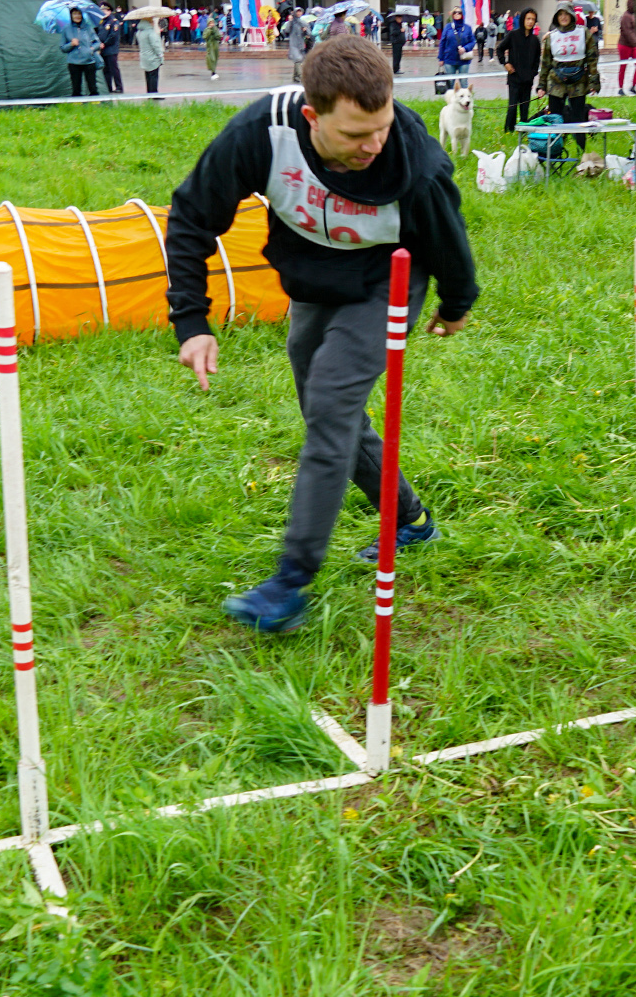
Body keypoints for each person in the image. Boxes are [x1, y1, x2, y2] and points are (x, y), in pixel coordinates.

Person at [162, 36, 478, 632]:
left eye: (380, 127)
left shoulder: (414, 160)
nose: (374, 144)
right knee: (326, 414)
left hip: (389, 278)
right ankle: (410, 520)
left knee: (333, 399)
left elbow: (448, 237)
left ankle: (289, 582)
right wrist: (191, 321)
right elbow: (192, 215)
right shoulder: (265, 131)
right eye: (357, 135)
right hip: (312, 280)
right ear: (313, 117)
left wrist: (457, 302)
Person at [541, 4, 599, 152]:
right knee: (555, 120)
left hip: (579, 82)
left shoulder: (584, 33)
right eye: (560, 15)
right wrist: (541, 86)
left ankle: (581, 154)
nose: (563, 17)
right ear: (556, 17)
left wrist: (594, 81)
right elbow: (546, 63)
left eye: (566, 14)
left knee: (579, 119)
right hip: (556, 83)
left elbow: (592, 58)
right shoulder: (551, 37)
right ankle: (554, 155)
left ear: (572, 16)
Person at [498, 7, 540, 132]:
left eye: (533, 19)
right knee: (512, 107)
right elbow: (500, 49)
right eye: (528, 19)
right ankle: (508, 130)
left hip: (527, 80)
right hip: (514, 78)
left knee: (524, 108)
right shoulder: (513, 35)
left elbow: (537, 59)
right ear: (522, 20)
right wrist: (505, 63)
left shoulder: (535, 40)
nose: (530, 22)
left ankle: (523, 130)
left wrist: (533, 73)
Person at [60, 6, 102, 96]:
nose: (77, 16)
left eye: (79, 13)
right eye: (74, 14)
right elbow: (62, 48)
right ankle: (77, 105)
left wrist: (91, 49)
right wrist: (71, 44)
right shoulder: (66, 29)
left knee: (93, 88)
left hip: (89, 62)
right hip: (73, 63)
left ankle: (95, 105)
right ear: (71, 15)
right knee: (76, 88)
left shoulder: (88, 28)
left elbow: (97, 43)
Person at [436, 7, 474, 91]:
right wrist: (440, 58)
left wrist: (465, 48)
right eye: (455, 12)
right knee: (450, 83)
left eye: (459, 12)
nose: (457, 14)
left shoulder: (467, 28)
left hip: (464, 59)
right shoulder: (448, 27)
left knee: (464, 83)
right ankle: (450, 102)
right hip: (449, 59)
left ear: (462, 14)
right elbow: (442, 42)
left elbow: (472, 42)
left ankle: (464, 103)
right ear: (452, 15)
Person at [615, 0, 636, 96]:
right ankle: (620, 87)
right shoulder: (626, 17)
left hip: (634, 45)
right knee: (623, 66)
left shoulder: (633, 16)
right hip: (624, 45)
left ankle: (633, 85)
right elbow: (627, 32)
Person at [96, 7, 124, 93]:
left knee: (113, 69)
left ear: (109, 11)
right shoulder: (102, 22)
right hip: (103, 49)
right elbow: (99, 33)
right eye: (102, 11)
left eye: (105, 10)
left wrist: (105, 43)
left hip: (111, 49)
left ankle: (119, 87)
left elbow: (113, 36)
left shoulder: (114, 21)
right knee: (106, 69)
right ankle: (108, 87)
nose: (103, 12)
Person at [139, 14, 165, 93]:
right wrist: (160, 54)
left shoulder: (140, 32)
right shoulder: (151, 32)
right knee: (154, 76)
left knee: (148, 76)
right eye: (152, 22)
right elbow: (155, 45)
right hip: (152, 57)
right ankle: (154, 93)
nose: (154, 23)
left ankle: (149, 92)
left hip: (144, 56)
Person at [286, 7, 309, 83]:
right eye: (297, 12)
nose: (299, 13)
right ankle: (300, 76)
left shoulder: (304, 23)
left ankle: (295, 77)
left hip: (301, 44)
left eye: (300, 12)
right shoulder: (292, 22)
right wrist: (290, 22)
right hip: (293, 43)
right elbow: (286, 30)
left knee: (298, 60)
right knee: (298, 59)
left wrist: (305, 31)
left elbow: (309, 34)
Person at [204, 12, 222, 79]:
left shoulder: (215, 29)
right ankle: (213, 72)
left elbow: (218, 37)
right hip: (210, 46)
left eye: (212, 23)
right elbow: (205, 37)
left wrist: (214, 32)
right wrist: (209, 30)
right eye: (210, 23)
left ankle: (213, 71)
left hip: (215, 46)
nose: (211, 24)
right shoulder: (207, 30)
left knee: (215, 58)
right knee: (211, 58)